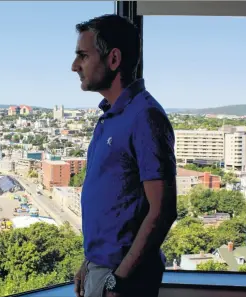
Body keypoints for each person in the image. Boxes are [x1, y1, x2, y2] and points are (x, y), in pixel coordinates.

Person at [71, 14, 178, 297]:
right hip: (104, 269)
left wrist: (119, 279)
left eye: (83, 55)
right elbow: (117, 204)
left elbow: (163, 209)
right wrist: (91, 262)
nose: (74, 66)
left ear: (114, 59)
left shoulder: (145, 117)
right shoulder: (111, 115)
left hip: (123, 278)